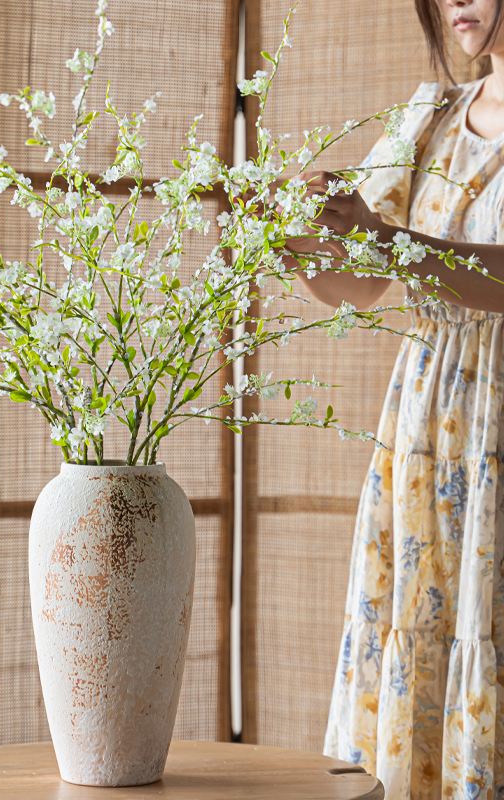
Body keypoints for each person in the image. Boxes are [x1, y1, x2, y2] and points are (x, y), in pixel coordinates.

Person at [289, 1, 504, 797]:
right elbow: (367, 281)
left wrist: (391, 243)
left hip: (499, 423)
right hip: (426, 423)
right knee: (421, 622)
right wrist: (307, 245)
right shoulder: (432, 116)